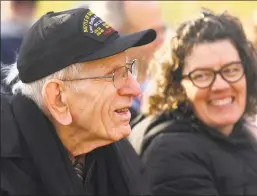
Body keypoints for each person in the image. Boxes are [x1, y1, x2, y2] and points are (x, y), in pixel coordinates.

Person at [0, 7, 156, 195]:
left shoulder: (119, 153)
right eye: (113, 75)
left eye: (128, 70)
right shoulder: (7, 171)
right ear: (58, 98)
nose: (135, 89)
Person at [129, 9, 257, 195]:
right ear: (177, 86)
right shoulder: (171, 152)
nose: (220, 85)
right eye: (201, 75)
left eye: (231, 70)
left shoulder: (237, 132)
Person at [80, 1, 167, 120]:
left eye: (163, 30)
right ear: (117, 38)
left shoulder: (167, 84)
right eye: (150, 35)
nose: (162, 41)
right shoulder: (100, 110)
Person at [1, 0, 38, 93]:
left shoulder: (38, 31)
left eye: (29, 6)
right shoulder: (3, 33)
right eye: (22, 6)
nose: (25, 10)